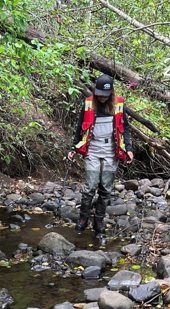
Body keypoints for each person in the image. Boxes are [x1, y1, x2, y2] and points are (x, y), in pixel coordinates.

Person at [68, 74, 134, 236]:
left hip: (111, 151)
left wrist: (129, 149)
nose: (102, 98)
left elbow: (124, 128)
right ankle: (83, 218)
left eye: (105, 95)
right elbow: (80, 127)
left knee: (105, 188)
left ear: (111, 93)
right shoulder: (89, 103)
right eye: (99, 94)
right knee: (90, 186)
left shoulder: (118, 104)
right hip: (92, 150)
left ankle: (99, 219)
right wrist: (73, 147)